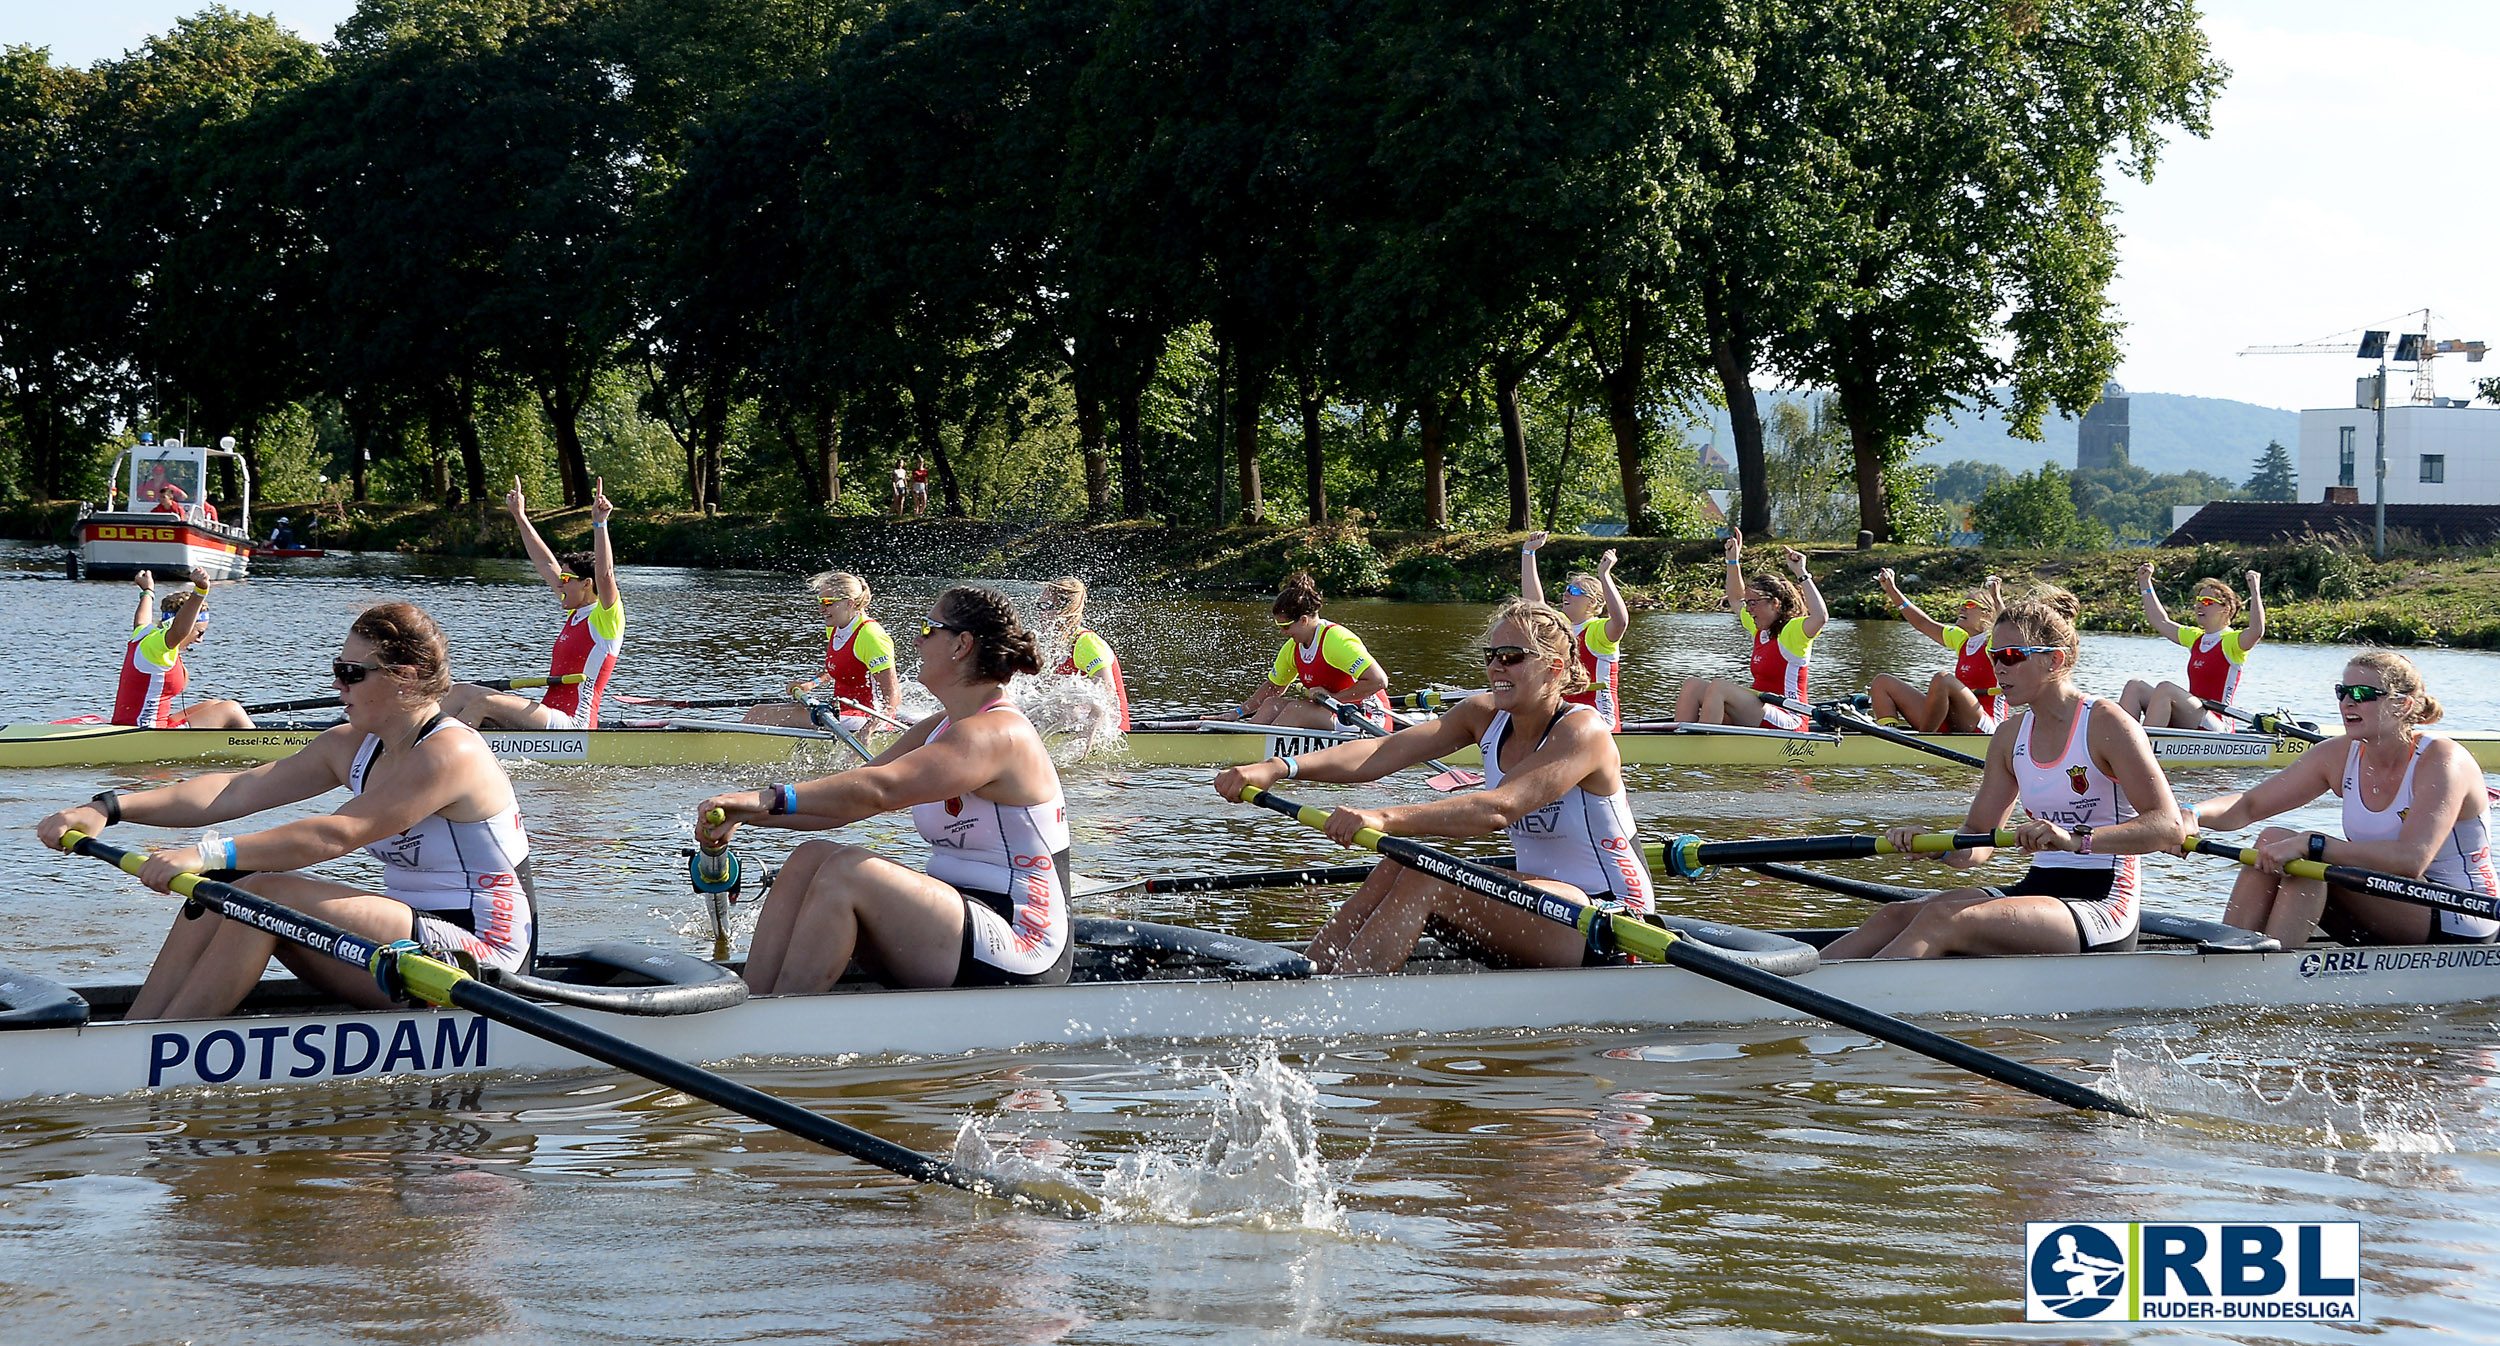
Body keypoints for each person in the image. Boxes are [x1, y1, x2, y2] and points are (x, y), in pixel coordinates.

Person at [37, 602, 534, 1019]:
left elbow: (337, 834)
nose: (338, 685)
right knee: (226, 890)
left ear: (405, 679)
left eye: (351, 673)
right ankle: (138, 1029)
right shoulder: (352, 744)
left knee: (266, 892)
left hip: (486, 962)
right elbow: (232, 791)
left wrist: (205, 853)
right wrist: (106, 807)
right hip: (411, 941)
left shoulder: (452, 753)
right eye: (338, 669)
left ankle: (155, 1050)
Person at [1211, 599, 1653, 973]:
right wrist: (1279, 767)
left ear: (1554, 668)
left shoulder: (1583, 732)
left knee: (1426, 878)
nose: (1496, 666)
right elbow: (1381, 753)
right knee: (1397, 864)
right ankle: (1311, 975)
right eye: (1491, 655)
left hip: (1611, 919)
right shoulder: (1482, 714)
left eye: (1512, 656)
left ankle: (1337, 1004)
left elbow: (1499, 808)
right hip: (1542, 899)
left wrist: (1382, 818)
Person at [696, 585, 1072, 993]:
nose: (915, 639)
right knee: (810, 858)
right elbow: (845, 801)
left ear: (962, 644)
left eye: (929, 629)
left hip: (1021, 941)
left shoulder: (1000, 733)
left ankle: (780, 1026)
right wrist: (745, 814)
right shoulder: (940, 727)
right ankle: (752, 1001)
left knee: (848, 871)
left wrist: (764, 798)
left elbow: (879, 789)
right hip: (958, 919)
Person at [1822, 588, 2186, 959]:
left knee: (1942, 918)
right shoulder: (2009, 736)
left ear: (2053, 660)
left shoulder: (2107, 723)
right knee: (1894, 916)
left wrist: (2076, 840)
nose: (1998, 667)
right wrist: (1934, 847)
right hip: (2039, 888)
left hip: (2102, 904)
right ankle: (1795, 991)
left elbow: (2168, 826)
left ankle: (1839, 1004)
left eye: (2011, 657)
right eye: (1994, 656)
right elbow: (1976, 843)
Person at [2181, 651, 2498, 948]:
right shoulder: (2340, 753)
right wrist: (2190, 814)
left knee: (2307, 861)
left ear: (2402, 706)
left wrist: (2312, 843)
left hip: (2461, 914)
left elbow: (2411, 860)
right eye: (2341, 692)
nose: (2347, 702)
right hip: (2383, 898)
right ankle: (2232, 953)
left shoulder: (2442, 759)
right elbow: (2248, 806)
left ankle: (2264, 975)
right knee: (2271, 841)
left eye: (2362, 695)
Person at [440, 478, 622, 730]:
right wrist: (519, 515)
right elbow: (545, 563)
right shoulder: (575, 609)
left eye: (566, 579)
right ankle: (412, 746)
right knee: (458, 693)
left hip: (575, 722)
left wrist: (600, 524)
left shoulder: (606, 618)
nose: (559, 584)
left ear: (586, 583)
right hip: (550, 713)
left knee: (484, 702)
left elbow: (606, 575)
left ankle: (445, 754)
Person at [1673, 536, 1827, 728]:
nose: (1748, 609)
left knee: (1719, 687)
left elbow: (1820, 617)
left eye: (1753, 603)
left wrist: (1801, 572)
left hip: (1790, 717)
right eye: (1749, 603)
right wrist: (1732, 560)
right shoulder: (1759, 629)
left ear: (1775, 604)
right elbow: (1736, 600)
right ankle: (1681, 741)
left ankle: (1702, 748)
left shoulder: (1793, 631)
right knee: (1692, 686)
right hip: (1760, 709)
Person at [744, 571, 902, 732]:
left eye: (828, 603)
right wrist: (812, 683)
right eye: (820, 602)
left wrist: (868, 731)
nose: (821, 609)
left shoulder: (871, 636)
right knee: (757, 710)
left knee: (766, 717)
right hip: (841, 710)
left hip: (865, 717)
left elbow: (893, 696)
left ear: (849, 603)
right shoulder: (835, 628)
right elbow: (839, 666)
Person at [1237, 571, 1392, 730]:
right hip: (1335, 713)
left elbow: (1378, 680)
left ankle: (1261, 749)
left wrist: (1333, 698)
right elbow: (1274, 688)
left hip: (1368, 718)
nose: (1283, 632)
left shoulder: (1335, 640)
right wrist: (1237, 713)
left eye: (1285, 626)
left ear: (1303, 620)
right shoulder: (1293, 646)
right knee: (1271, 704)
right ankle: (1246, 742)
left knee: (1296, 710)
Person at [2119, 565, 2265, 730]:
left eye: (2208, 602)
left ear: (2226, 609)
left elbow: (2256, 632)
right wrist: (2145, 583)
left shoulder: (2231, 641)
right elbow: (2160, 621)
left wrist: (2255, 590)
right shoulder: (2196, 638)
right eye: (2199, 601)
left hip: (2217, 723)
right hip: (2193, 714)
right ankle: (2121, 739)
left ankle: (2139, 747)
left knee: (2166, 689)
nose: (2200, 606)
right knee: (2134, 686)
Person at [1866, 571, 2006, 733]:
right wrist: (1891, 589)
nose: (1962, 607)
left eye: (1969, 605)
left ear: (1988, 614)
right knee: (1882, 682)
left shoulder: (1995, 641)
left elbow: (2013, 631)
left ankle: (1924, 739)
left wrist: (1996, 598)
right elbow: (1923, 623)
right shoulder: (1961, 639)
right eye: (1962, 604)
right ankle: (1889, 734)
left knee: (1943, 679)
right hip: (1952, 717)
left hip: (1986, 723)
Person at [110, 571, 254, 729]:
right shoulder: (160, 647)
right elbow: (180, 630)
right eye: (199, 633)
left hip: (134, 724)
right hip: (145, 731)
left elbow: (141, 620)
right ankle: (265, 748)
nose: (200, 640)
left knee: (214, 704)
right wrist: (200, 590)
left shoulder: (144, 635)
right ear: (187, 625)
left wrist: (147, 590)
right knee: (231, 709)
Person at [1521, 532, 1629, 729]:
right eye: (1566, 589)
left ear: (1592, 602)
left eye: (1575, 591)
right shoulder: (1560, 624)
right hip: (1564, 715)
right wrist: (1528, 552)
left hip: (1599, 720)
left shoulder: (1599, 631)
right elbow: (1534, 603)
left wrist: (1604, 575)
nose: (1565, 593)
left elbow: (1621, 622)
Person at [1037, 576, 1131, 735]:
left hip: (1108, 732)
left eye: (1046, 606)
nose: (1040, 614)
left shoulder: (1086, 643)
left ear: (1066, 611)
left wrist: (1083, 740)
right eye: (1038, 606)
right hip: (1074, 724)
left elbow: (1106, 695)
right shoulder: (1054, 647)